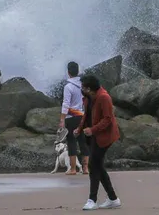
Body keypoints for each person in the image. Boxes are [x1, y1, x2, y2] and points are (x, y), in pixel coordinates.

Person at [73, 75, 121, 211]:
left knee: (94, 166)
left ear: (89, 88)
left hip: (105, 137)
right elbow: (86, 115)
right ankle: (113, 198)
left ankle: (92, 200)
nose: (81, 89)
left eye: (82, 87)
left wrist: (92, 130)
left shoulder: (104, 97)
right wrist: (79, 128)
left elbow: (108, 119)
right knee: (97, 165)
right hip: (94, 135)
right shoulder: (89, 97)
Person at [59, 61, 90, 175]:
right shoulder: (83, 85)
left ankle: (73, 169)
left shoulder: (68, 87)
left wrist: (62, 119)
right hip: (83, 116)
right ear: (78, 71)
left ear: (68, 72)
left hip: (71, 117)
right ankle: (86, 168)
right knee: (83, 142)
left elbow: (66, 104)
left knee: (71, 141)